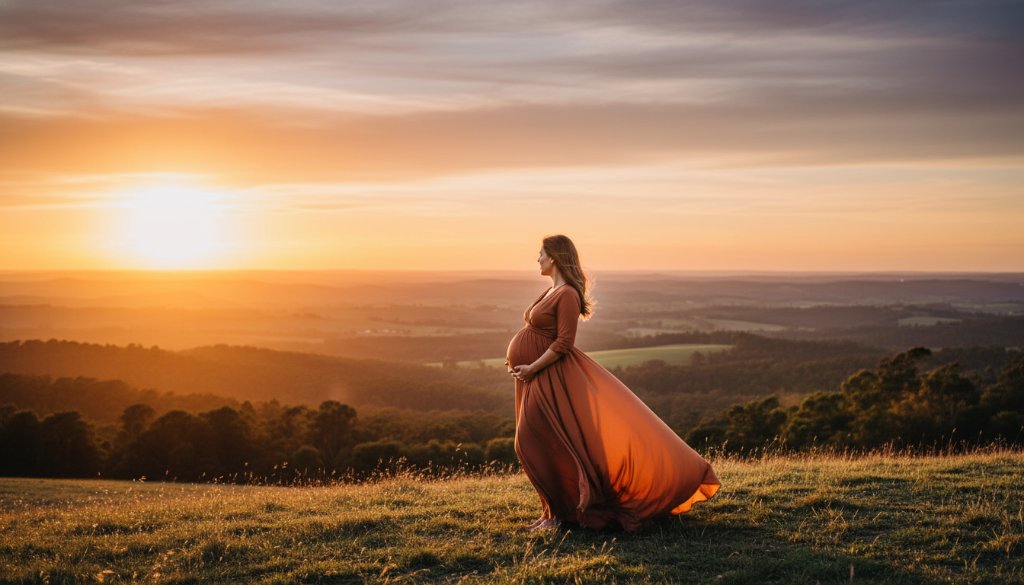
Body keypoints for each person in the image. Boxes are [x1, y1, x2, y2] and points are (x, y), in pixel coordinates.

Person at [505, 234, 720, 532]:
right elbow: (536, 333)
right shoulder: (549, 290)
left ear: (553, 257)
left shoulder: (566, 293)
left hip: (550, 377)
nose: (537, 258)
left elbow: (564, 342)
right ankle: (552, 515)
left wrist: (532, 366)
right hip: (533, 376)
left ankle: (557, 516)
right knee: (541, 443)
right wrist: (518, 361)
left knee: (528, 442)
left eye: (540, 253)